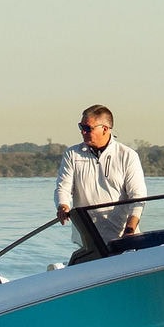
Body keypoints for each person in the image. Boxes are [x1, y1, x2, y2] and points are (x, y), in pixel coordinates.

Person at [55, 104, 145, 245]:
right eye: (81, 127)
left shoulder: (128, 155)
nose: (82, 132)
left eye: (87, 128)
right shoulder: (72, 154)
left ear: (105, 129)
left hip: (123, 238)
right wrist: (63, 205)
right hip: (87, 240)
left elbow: (138, 197)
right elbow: (63, 188)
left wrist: (130, 230)